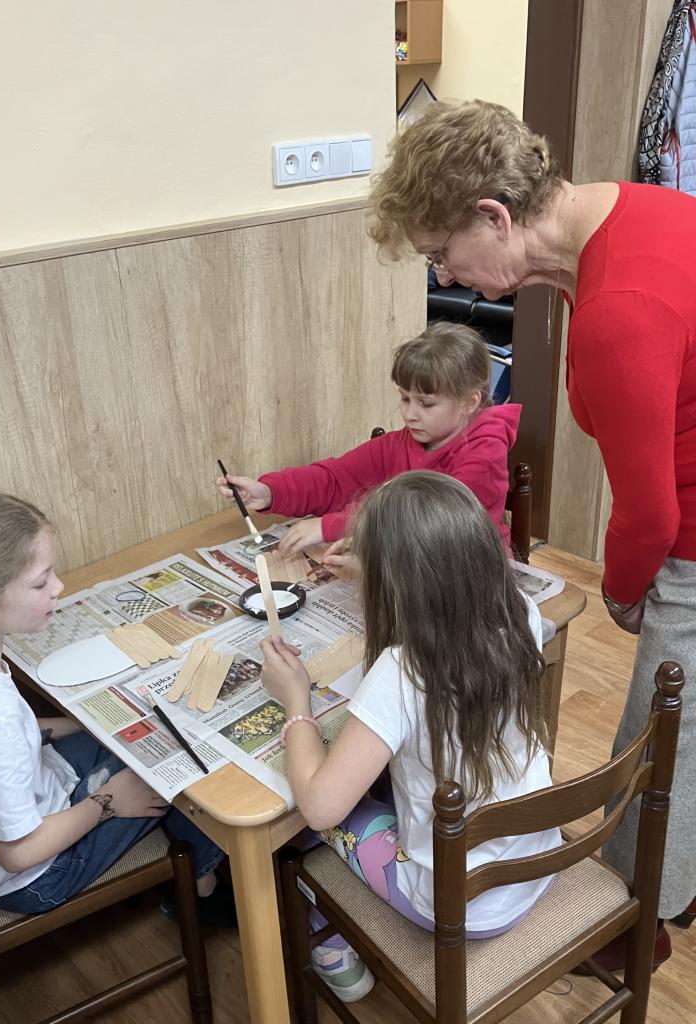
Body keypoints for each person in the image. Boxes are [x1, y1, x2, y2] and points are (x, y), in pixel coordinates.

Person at [367, 97, 696, 968]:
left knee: (662, 745)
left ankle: (634, 930)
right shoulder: (638, 208)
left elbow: (652, 515)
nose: (447, 274)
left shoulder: (619, 309)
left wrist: (622, 593)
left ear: (494, 215)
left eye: (441, 254)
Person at [260, 472, 561, 1002]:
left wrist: (296, 702)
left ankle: (331, 946)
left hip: (456, 902)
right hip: (534, 862)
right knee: (382, 782)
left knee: (298, 827)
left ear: (393, 585)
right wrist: (379, 569)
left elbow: (322, 808)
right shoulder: (521, 613)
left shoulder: (402, 673)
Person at [0, 491, 233, 925]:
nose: (58, 587)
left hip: (36, 800)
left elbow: (3, 744)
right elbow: (18, 853)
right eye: (40, 583)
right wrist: (108, 802)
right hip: (37, 874)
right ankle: (202, 890)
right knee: (182, 761)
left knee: (147, 734)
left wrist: (79, 724)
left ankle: (190, 865)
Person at [216, 321, 520, 556]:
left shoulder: (485, 452)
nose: (410, 414)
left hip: (471, 577)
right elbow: (336, 479)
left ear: (469, 402)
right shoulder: (403, 442)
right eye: (404, 398)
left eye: (426, 404)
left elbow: (433, 525)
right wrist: (270, 492)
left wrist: (333, 527)